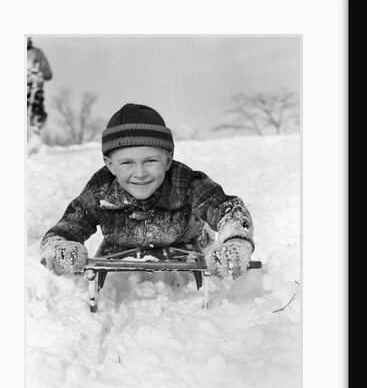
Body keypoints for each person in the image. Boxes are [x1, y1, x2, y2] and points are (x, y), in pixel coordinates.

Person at [39, 103, 255, 280]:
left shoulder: (185, 182)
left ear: (168, 160)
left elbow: (228, 208)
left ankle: (205, 236)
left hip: (182, 237)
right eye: (127, 163)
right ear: (110, 165)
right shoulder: (101, 190)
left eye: (151, 161)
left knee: (204, 235)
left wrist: (236, 241)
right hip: (121, 241)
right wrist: (60, 247)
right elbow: (65, 229)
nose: (140, 173)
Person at [27, 37, 53, 137]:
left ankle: (37, 124)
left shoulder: (37, 53)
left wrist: (39, 74)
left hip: (33, 90)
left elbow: (48, 73)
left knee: (37, 101)